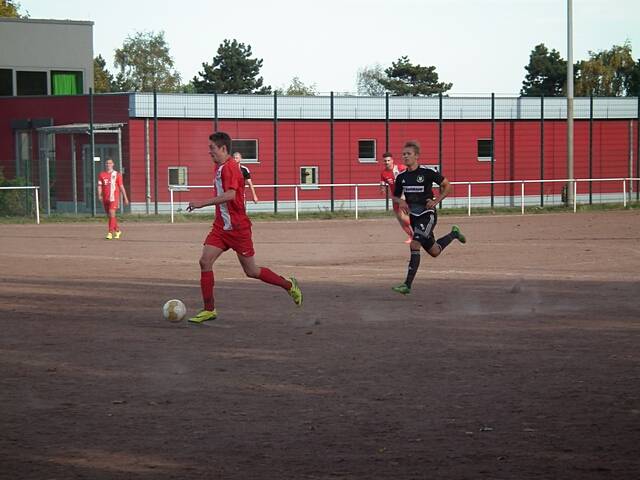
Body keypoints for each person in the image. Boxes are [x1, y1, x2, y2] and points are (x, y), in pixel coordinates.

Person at [186, 132, 302, 323]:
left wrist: (202, 203)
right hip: (221, 228)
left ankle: (289, 285)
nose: (209, 152)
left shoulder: (231, 167)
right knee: (205, 262)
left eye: (212, 148)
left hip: (238, 229)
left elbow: (231, 195)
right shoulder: (219, 166)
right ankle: (209, 309)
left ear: (223, 148)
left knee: (252, 271)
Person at [391, 140, 466, 295]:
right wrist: (401, 201)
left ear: (416, 156)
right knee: (434, 251)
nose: (405, 156)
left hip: (427, 215)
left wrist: (436, 200)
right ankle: (454, 233)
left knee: (414, 245)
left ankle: (407, 285)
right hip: (414, 217)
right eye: (403, 154)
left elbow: (447, 185)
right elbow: (395, 197)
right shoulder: (401, 178)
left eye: (408, 154)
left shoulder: (427, 173)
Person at [380, 152, 413, 242]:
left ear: (392, 161)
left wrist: (404, 194)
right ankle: (411, 236)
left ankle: (417, 229)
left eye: (388, 160)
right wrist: (382, 188)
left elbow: (410, 175)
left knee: (402, 216)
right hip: (395, 197)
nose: (387, 162)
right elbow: (383, 183)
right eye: (385, 161)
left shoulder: (400, 168)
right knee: (400, 219)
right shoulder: (383, 173)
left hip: (404, 195)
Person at [97, 158, 129, 240]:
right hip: (105, 198)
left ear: (113, 164)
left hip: (114, 198)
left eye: (110, 163)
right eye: (107, 163)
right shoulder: (102, 174)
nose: (108, 164)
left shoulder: (117, 174)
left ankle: (110, 232)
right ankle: (117, 230)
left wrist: (125, 198)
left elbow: (121, 186)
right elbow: (100, 186)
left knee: (112, 213)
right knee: (110, 216)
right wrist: (99, 195)